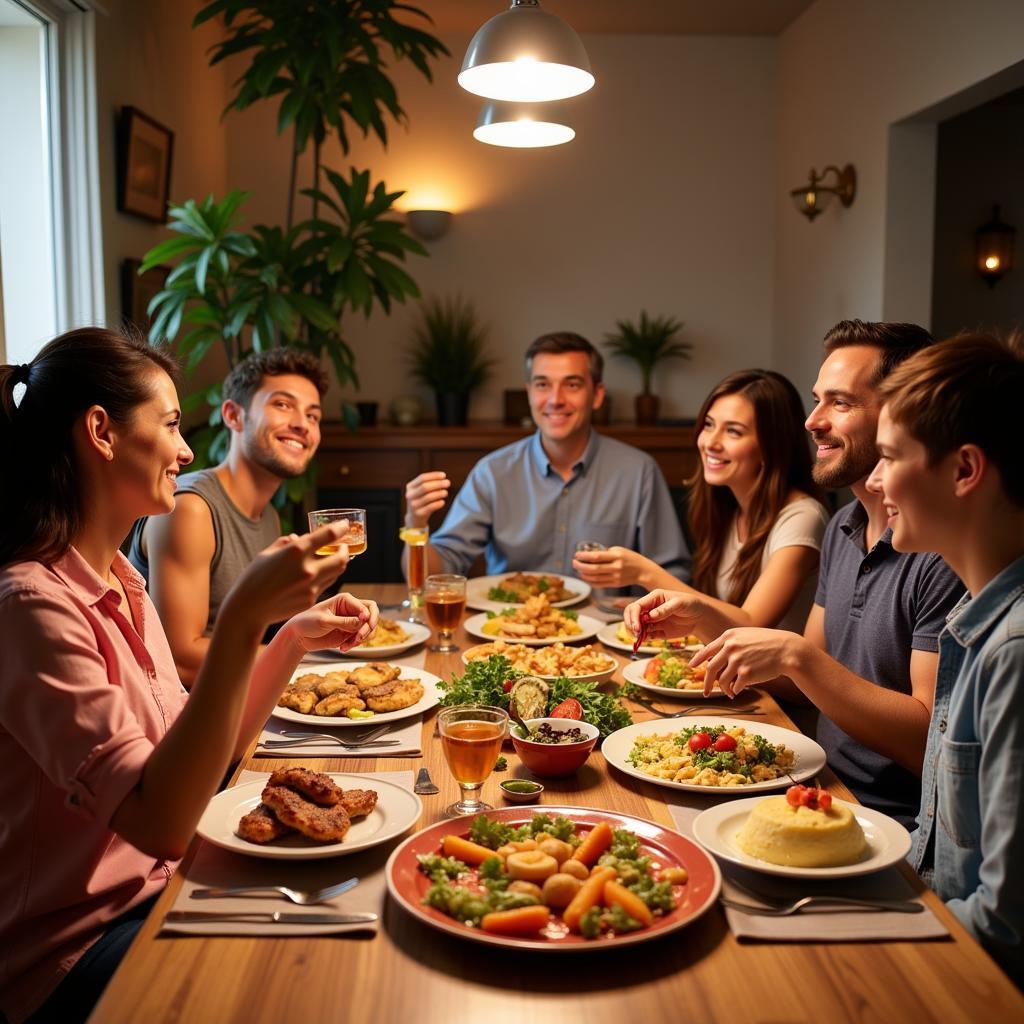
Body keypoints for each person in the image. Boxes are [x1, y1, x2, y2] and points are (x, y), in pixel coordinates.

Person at [0, 329, 378, 1023]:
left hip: (160, 890)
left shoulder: (124, 582)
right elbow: (162, 821)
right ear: (101, 432)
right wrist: (241, 619)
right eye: (171, 424)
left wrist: (290, 636)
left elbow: (209, 757)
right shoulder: (31, 607)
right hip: (76, 950)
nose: (183, 450)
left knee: (363, 920)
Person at [628, 320, 965, 829]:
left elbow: (927, 742)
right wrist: (704, 617)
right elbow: (808, 683)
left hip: (887, 821)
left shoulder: (939, 553)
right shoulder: (844, 527)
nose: (812, 421)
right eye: (817, 400)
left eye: (841, 403)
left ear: (903, 413)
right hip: (810, 781)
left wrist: (796, 654)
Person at [869, 332, 1024, 985]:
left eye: (887, 457)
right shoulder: (972, 623)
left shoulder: (1013, 652)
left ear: (964, 470)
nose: (874, 481)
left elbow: (1004, 926)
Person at [403, 331, 690, 579]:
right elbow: (433, 576)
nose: (555, 400)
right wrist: (415, 523)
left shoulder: (638, 471)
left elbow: (672, 574)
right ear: (529, 394)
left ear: (597, 395)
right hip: (508, 636)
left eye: (572, 384)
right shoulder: (492, 472)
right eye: (542, 385)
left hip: (605, 634)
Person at [573, 369, 830, 636]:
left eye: (733, 431)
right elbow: (717, 613)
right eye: (708, 425)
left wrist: (644, 574)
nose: (710, 442)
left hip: (779, 679)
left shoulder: (803, 518)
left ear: (772, 445)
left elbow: (751, 624)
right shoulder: (730, 508)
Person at [128, 348, 327, 688]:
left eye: (313, 416)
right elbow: (179, 659)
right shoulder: (191, 508)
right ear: (234, 415)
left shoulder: (269, 518)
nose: (301, 424)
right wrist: (304, 660)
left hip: (231, 698)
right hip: (176, 719)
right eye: (282, 404)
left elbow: (248, 630)